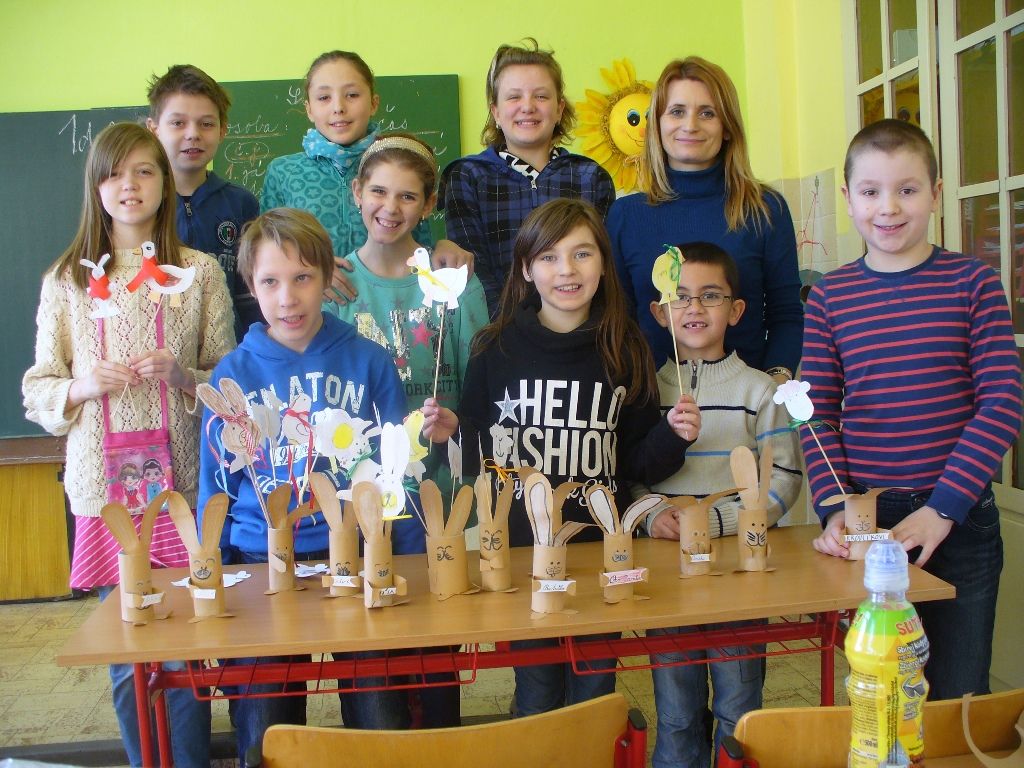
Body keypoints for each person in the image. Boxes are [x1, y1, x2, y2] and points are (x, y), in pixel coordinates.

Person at [197, 207, 447, 759]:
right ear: (251, 286)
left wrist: (409, 562)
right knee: (265, 729)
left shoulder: (368, 361)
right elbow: (215, 484)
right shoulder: (232, 373)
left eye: (303, 278)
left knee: (380, 718)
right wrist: (211, 573)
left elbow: (397, 472)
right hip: (260, 565)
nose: (287, 298)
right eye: (270, 282)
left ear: (327, 278)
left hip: (359, 559)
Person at [22, 121, 234, 767]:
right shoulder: (66, 280)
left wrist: (184, 376)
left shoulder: (198, 273)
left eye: (145, 170)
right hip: (106, 491)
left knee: (186, 642)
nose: (130, 185)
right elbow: (38, 388)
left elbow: (231, 384)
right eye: (115, 173)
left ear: (165, 182)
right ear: (96, 186)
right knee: (128, 646)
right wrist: (82, 385)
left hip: (181, 487)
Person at [804, 119, 1022, 700]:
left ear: (936, 193)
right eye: (871, 191)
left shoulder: (974, 283)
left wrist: (942, 508)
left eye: (907, 189)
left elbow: (1003, 401)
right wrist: (834, 508)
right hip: (869, 521)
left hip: (959, 519)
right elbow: (816, 414)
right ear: (848, 197)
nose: (889, 207)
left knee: (956, 695)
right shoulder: (829, 296)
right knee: (879, 690)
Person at [458, 198, 700, 716]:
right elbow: (472, 456)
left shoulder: (625, 346)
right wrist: (446, 433)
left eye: (582, 254)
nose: (566, 269)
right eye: (548, 257)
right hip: (523, 555)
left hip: (601, 553)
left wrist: (674, 436)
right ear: (526, 269)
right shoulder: (494, 348)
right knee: (536, 691)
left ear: (604, 264)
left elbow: (636, 463)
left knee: (594, 689)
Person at [327, 131, 486, 727]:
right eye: (378, 191)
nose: (390, 208)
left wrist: (458, 424)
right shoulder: (336, 285)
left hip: (436, 491)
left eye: (408, 196)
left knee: (434, 642)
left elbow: (481, 383)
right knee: (365, 644)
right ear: (356, 192)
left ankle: (440, 743)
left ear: (428, 204)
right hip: (359, 493)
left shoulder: (454, 282)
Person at [638, 242, 802, 767]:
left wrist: (716, 520)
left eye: (710, 296)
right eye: (680, 297)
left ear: (735, 310)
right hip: (669, 579)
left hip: (739, 577)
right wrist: (651, 517)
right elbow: (630, 475)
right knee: (677, 712)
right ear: (660, 312)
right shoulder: (645, 391)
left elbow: (784, 478)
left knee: (738, 708)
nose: (694, 308)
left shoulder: (760, 391)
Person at [607, 56, 803, 381]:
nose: (690, 125)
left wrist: (776, 382)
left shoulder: (765, 208)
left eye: (707, 113)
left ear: (727, 127)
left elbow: (786, 314)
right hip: (652, 402)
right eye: (677, 111)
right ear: (657, 125)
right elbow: (618, 321)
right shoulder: (624, 216)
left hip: (746, 403)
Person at [260, 50, 471, 306]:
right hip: (310, 310)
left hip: (389, 307)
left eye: (352, 95)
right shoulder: (283, 172)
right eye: (324, 97)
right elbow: (266, 252)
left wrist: (442, 247)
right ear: (309, 109)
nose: (338, 107)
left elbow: (419, 243)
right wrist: (311, 270)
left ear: (373, 103)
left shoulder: (396, 166)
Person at [441, 39, 615, 314]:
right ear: (496, 112)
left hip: (579, 326)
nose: (528, 106)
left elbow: (600, 267)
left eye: (541, 96)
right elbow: (474, 270)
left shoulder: (591, 177)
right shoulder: (467, 177)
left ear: (559, 109)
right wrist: (509, 327)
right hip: (498, 327)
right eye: (514, 97)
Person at [146, 63, 261, 339]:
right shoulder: (139, 204)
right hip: (158, 350)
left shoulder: (241, 204)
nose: (193, 134)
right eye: (178, 123)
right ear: (154, 129)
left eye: (206, 124)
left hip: (227, 351)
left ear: (222, 130)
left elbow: (251, 295)